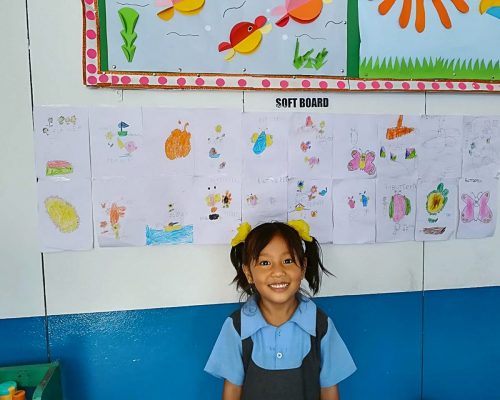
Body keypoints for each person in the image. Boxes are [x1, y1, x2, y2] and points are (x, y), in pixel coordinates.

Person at [205, 220, 356, 400]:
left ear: (303, 267)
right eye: (265, 262)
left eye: (287, 260)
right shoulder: (237, 327)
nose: (278, 271)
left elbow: (329, 390)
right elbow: (232, 391)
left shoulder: (320, 325)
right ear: (248, 273)